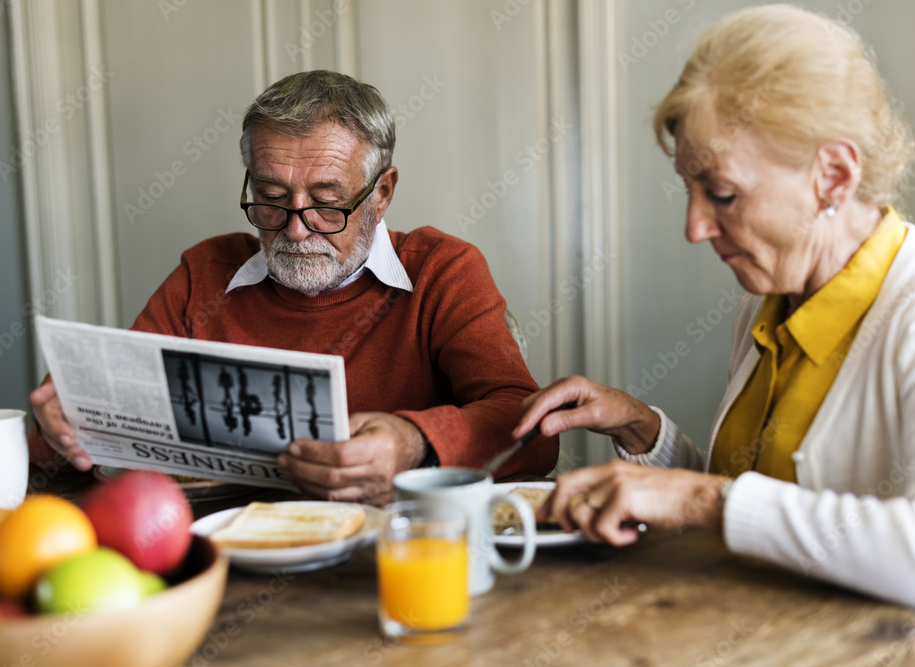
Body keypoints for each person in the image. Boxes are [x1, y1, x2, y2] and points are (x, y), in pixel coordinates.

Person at [514, 4, 915, 612]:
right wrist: (645, 432)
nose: (694, 226)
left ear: (834, 176)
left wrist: (696, 500)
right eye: (689, 189)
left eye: (722, 193)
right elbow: (756, 504)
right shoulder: (765, 304)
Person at [30, 70, 558, 505]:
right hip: (226, 553)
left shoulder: (443, 271)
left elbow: (529, 427)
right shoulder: (206, 273)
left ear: (382, 193)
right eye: (271, 196)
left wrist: (417, 443)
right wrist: (67, 422)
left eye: (327, 201)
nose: (295, 228)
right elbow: (95, 431)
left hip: (398, 553)